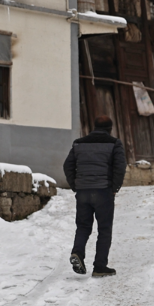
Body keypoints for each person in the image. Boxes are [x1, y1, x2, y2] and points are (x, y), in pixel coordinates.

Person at [63, 115, 127, 277]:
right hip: (103, 192)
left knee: (83, 227)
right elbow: (120, 168)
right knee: (104, 230)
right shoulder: (114, 144)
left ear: (95, 127)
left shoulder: (79, 143)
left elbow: (67, 166)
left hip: (83, 192)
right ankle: (99, 267)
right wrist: (114, 188)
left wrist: (76, 186)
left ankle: (77, 253)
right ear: (110, 129)